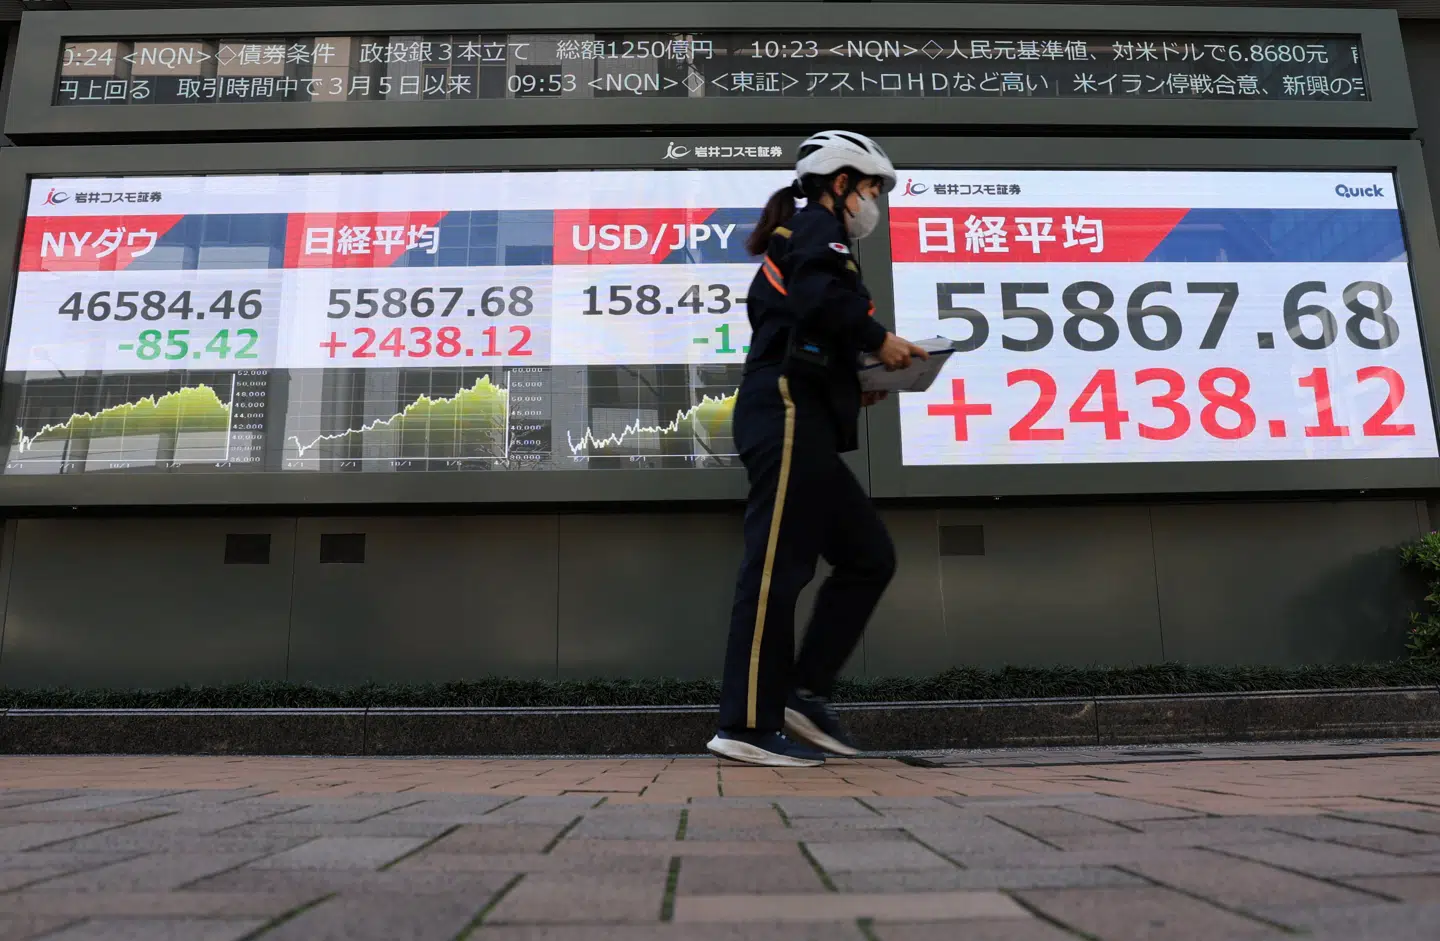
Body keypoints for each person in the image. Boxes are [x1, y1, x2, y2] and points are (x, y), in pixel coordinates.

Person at [707, 131, 929, 768]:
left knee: (868, 557)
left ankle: (801, 694)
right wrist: (878, 338)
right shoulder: (813, 227)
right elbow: (816, 298)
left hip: (804, 416)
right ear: (839, 184)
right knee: (775, 572)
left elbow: (807, 325)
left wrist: (858, 384)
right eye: (869, 188)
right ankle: (746, 724)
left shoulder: (815, 240)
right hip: (781, 415)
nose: (873, 202)